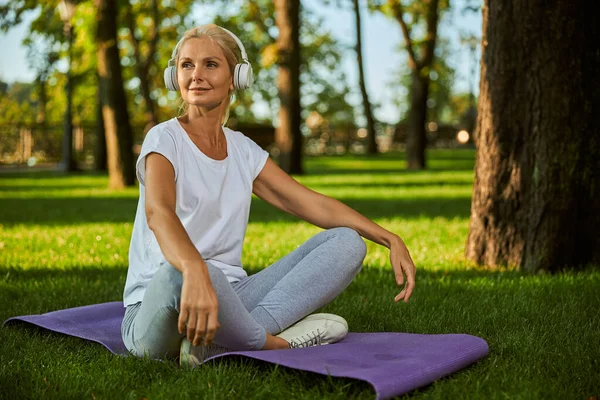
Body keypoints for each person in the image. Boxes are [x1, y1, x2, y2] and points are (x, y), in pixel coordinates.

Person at [120, 24, 417, 368]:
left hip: (232, 299)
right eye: (187, 65)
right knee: (181, 272)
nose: (196, 75)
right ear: (175, 76)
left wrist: (388, 237)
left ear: (236, 78)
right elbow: (159, 213)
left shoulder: (243, 150)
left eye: (210, 65)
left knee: (348, 243)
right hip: (159, 305)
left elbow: (309, 202)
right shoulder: (164, 139)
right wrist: (193, 268)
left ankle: (221, 344)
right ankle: (273, 345)